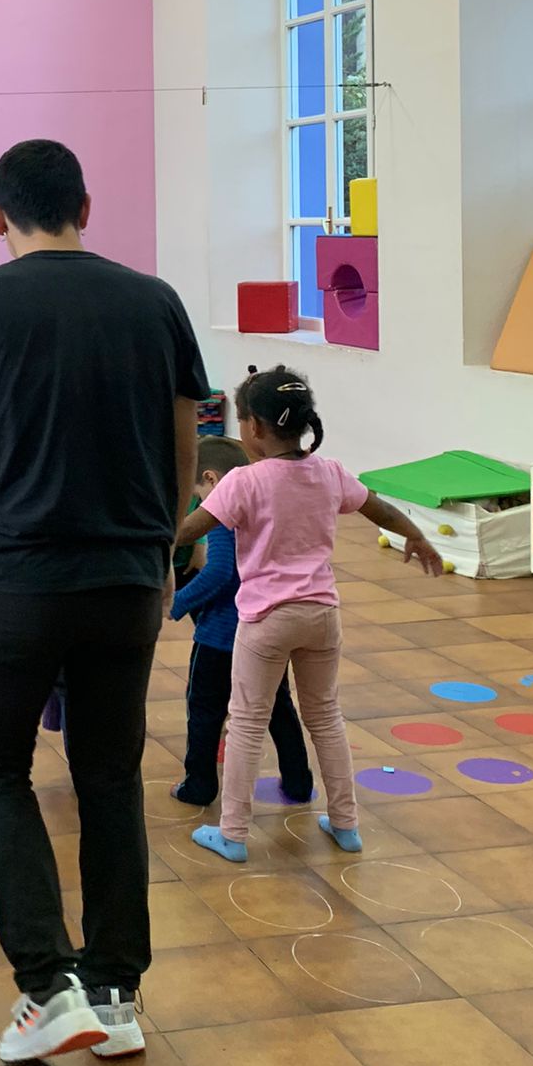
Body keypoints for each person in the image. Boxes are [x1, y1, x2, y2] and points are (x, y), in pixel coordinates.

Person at [0, 138, 207, 1066]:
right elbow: (184, 450)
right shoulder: (156, 301)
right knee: (109, 775)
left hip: (21, 577)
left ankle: (47, 986)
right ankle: (116, 994)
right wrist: (158, 543)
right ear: (86, 205)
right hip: (128, 579)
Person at [183, 368, 442, 865]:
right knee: (325, 716)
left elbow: (191, 529)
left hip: (266, 620)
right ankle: (346, 824)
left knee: (246, 721)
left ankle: (232, 833)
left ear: (254, 427)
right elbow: (379, 510)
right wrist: (417, 536)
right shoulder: (330, 473)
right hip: (322, 615)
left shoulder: (243, 481)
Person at [170, 435, 313, 810]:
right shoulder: (267, 506)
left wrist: (176, 602)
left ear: (211, 479)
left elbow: (219, 572)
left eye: (199, 493)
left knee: (204, 709)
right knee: (277, 707)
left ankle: (199, 785)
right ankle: (299, 782)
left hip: (221, 636)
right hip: (267, 629)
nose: (200, 502)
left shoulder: (223, 510)